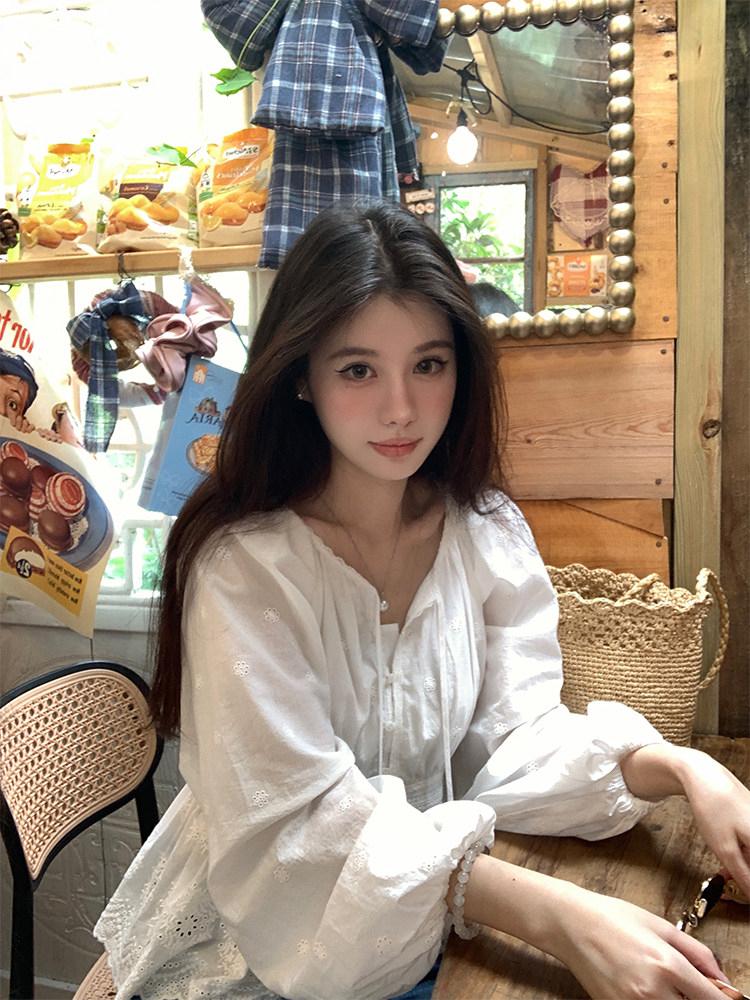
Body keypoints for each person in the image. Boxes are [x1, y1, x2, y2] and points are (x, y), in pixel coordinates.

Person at [94, 201, 750, 1000]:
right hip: (261, 948)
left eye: (429, 365)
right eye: (358, 370)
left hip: (439, 921)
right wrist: (559, 917)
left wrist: (682, 770)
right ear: (300, 376)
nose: (401, 408)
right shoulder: (246, 570)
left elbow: (514, 738)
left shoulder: (483, 530)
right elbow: (299, 838)